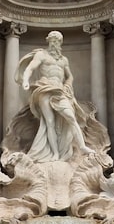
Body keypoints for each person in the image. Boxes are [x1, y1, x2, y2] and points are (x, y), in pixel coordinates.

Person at [16, 31, 95, 162]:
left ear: (60, 43)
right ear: (48, 41)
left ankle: (82, 146)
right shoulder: (41, 55)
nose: (54, 43)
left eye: (57, 41)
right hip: (45, 88)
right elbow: (30, 68)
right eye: (52, 40)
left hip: (60, 90)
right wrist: (25, 80)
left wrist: (68, 85)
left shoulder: (64, 60)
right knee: (50, 122)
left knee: (71, 117)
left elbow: (69, 76)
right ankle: (55, 154)